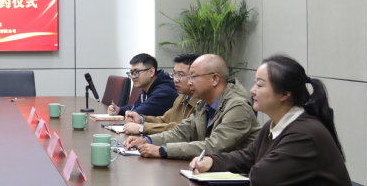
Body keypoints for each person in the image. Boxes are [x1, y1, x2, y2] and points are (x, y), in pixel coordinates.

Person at [189, 55, 360, 186]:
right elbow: (248, 157)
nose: (252, 90)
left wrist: (250, 166)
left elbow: (263, 178)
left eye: (260, 85)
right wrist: (213, 161)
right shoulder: (274, 125)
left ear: (284, 94)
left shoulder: (303, 134)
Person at [125, 54, 260, 159]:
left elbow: (215, 146)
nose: (189, 83)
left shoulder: (237, 106)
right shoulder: (204, 103)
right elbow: (182, 132)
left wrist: (163, 150)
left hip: (239, 178)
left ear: (215, 79)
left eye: (193, 77)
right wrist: (147, 140)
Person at [121, 53, 201, 135]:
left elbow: (183, 129)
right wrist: (141, 119)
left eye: (180, 75)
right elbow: (164, 120)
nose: (175, 80)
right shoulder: (181, 98)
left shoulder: (202, 102)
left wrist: (142, 128)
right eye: (174, 74)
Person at [108, 53, 177, 117]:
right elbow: (135, 106)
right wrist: (119, 110)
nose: (133, 76)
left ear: (151, 72)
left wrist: (127, 112)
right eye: (131, 72)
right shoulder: (149, 87)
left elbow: (135, 114)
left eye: (136, 72)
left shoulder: (163, 92)